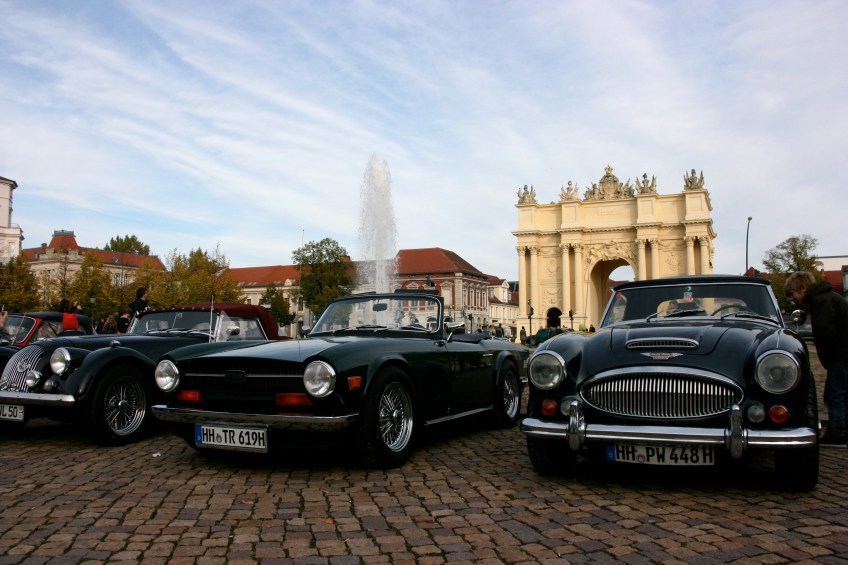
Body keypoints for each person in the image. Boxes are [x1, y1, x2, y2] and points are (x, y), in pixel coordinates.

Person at [785, 271, 848, 446]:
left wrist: (828, 356)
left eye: (793, 294)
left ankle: (838, 433)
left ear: (803, 288)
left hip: (840, 355)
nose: (793, 299)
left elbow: (824, 331)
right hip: (842, 354)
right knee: (841, 393)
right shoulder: (828, 297)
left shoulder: (821, 301)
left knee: (835, 395)